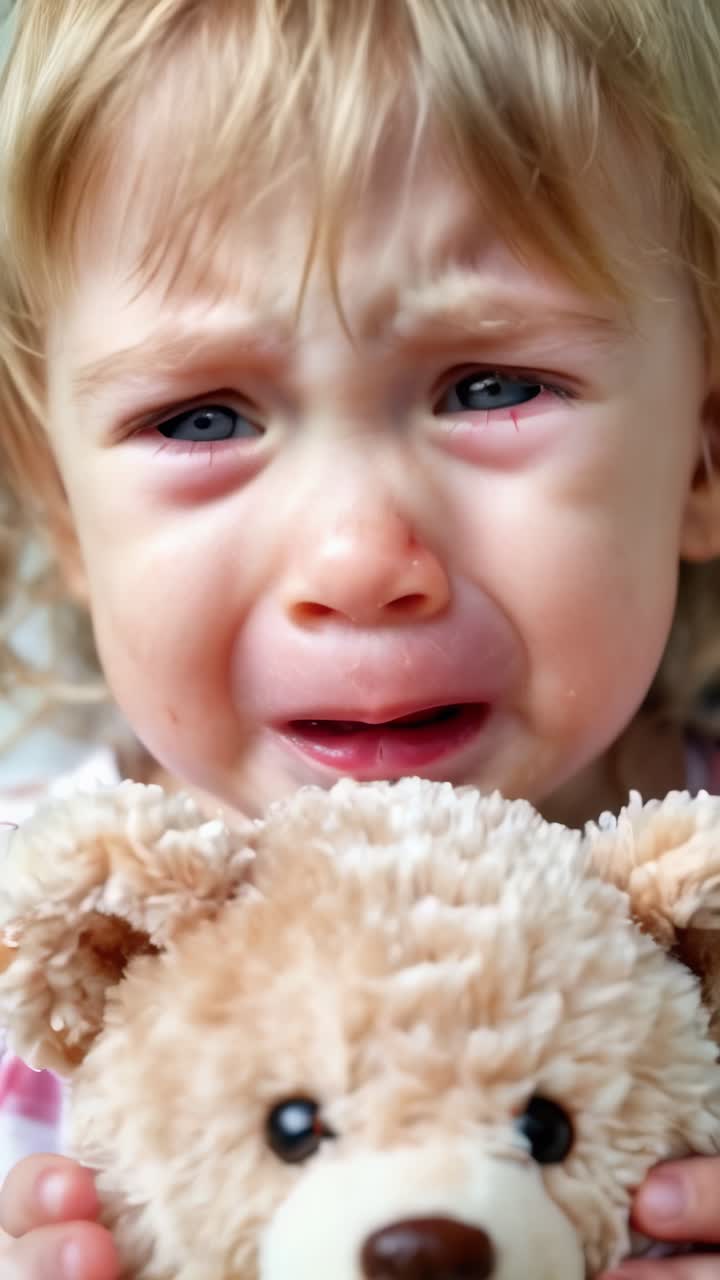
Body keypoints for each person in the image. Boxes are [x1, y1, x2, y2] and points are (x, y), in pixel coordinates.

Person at [2, 0, 720, 1275]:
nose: (358, 562)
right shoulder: (32, 935)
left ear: (706, 451)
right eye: (204, 416)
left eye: (491, 386)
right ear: (59, 500)